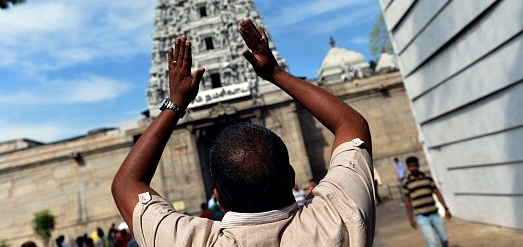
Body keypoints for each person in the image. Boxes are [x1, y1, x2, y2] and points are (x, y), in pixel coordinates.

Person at [111, 18, 374, 246]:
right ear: (291, 179)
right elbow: (352, 125)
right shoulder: (338, 219)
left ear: (219, 198)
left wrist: (175, 103)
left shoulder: (190, 241)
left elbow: (125, 184)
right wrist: (276, 73)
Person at [403, 156, 451, 247]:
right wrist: (411, 218)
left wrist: (446, 208)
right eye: (411, 166)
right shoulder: (407, 183)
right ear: (408, 167)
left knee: (444, 238)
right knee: (432, 242)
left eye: (415, 165)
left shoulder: (427, 178)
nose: (413, 168)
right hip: (422, 217)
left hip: (434, 213)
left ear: (418, 165)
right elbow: (408, 201)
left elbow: (437, 193)